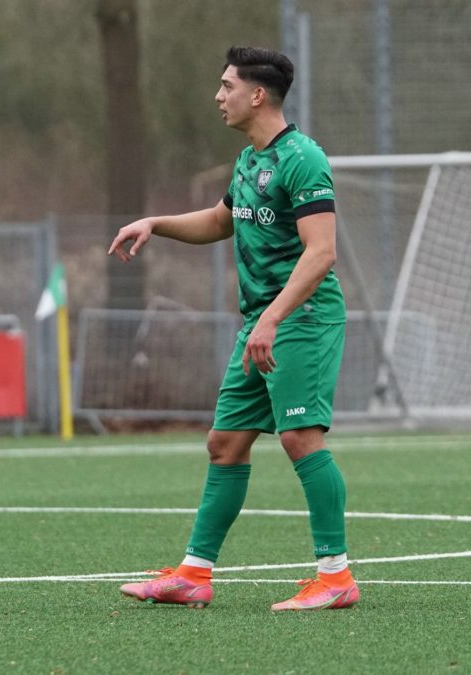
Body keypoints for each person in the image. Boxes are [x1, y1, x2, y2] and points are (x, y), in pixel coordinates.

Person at [107, 46, 357, 612]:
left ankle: (336, 576)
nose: (218, 97)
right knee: (225, 444)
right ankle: (194, 574)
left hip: (302, 317)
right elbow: (222, 221)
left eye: (226, 86)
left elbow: (321, 254)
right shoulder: (249, 160)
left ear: (257, 94)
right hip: (262, 322)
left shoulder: (303, 159)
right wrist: (155, 223)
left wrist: (271, 318)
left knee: (299, 438)